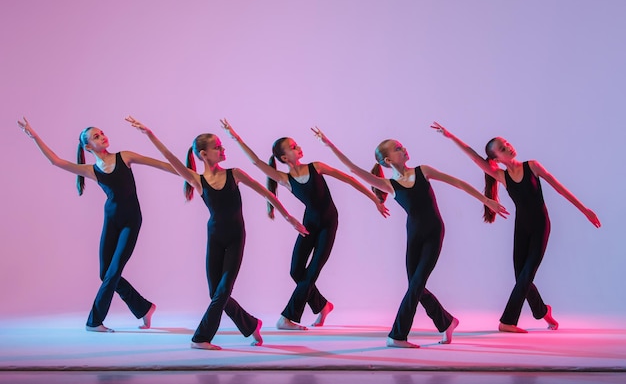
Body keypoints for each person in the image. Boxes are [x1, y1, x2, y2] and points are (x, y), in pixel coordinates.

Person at [311, 127, 508, 348]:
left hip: (434, 233)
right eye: (397, 148)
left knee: (415, 285)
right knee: (415, 286)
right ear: (387, 160)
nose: (403, 149)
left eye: (402, 146)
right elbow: (352, 169)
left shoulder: (423, 171)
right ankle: (447, 322)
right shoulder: (389, 185)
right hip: (413, 235)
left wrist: (487, 200)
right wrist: (328, 144)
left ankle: (398, 335)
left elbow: (458, 183)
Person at [126, 116, 308, 350]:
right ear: (203, 154)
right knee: (215, 292)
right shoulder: (196, 179)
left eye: (222, 146)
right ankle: (251, 324)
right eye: (218, 147)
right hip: (214, 238)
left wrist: (289, 217)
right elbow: (171, 159)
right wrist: (150, 134)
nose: (223, 149)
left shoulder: (235, 174)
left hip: (235, 238)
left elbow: (267, 193)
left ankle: (201, 337)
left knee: (222, 291)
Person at [431, 122, 601, 333]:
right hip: (521, 228)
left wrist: (585, 210)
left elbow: (559, 188)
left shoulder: (532, 166)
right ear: (495, 160)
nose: (508, 147)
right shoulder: (502, 176)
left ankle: (507, 321)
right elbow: (474, 156)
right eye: (502, 148)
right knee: (521, 276)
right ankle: (542, 311)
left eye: (507, 143)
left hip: (540, 226)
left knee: (526, 274)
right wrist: (450, 136)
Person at [220, 119, 389, 331]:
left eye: (297, 145)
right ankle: (322, 305)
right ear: (284, 158)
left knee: (312, 270)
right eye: (293, 147)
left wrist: (375, 200)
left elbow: (349, 179)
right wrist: (236, 138)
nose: (299, 147)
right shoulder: (284, 178)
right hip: (309, 223)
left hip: (328, 223)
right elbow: (255, 162)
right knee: (296, 270)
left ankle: (287, 318)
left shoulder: (316, 167)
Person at [17, 117, 177, 332]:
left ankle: (94, 321)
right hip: (111, 220)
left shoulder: (124, 157)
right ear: (87, 146)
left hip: (131, 221)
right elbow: (56, 161)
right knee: (105, 273)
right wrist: (35, 136)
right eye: (96, 136)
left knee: (113, 271)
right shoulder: (92, 170)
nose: (102, 137)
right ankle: (144, 308)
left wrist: (193, 176)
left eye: (101, 133)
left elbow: (159, 164)